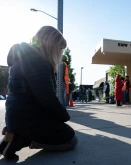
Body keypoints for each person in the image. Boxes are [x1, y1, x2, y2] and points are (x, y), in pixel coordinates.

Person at [0, 26, 78, 160]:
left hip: (16, 116)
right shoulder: (37, 61)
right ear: (51, 46)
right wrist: (64, 116)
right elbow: (47, 98)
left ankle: (12, 138)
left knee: (60, 129)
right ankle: (20, 140)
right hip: (28, 119)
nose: (60, 53)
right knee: (70, 139)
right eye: (59, 49)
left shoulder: (23, 58)